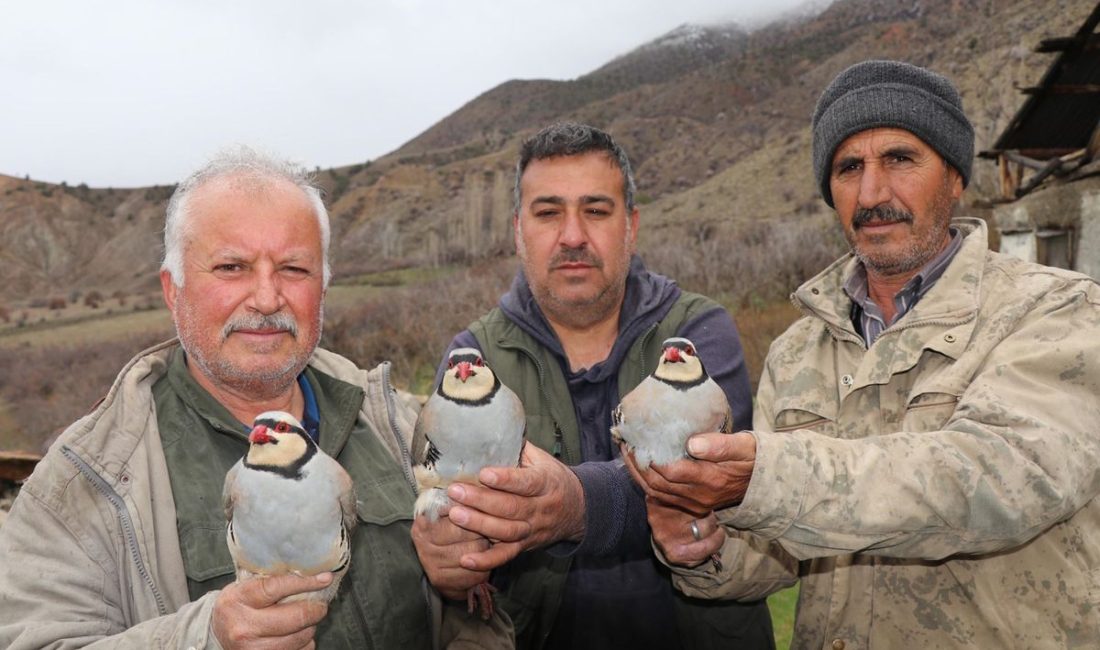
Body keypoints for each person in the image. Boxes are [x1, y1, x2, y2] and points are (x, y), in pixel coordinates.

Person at [625, 59, 1100, 649]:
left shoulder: (1059, 310)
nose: (873, 193)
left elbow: (997, 481)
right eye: (849, 168)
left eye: (900, 159)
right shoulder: (798, 350)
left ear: (954, 176)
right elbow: (772, 557)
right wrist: (699, 546)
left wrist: (765, 477)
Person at [0, 146, 511, 649]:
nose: (267, 298)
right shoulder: (84, 480)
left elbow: (483, 617)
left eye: (294, 269)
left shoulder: (398, 421)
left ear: (324, 288)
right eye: (231, 267)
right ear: (172, 290)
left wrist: (459, 586)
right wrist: (205, 638)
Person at [411, 122, 774, 649]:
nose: (573, 235)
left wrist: (574, 504)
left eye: (596, 211)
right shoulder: (474, 357)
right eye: (548, 212)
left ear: (631, 226)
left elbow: (707, 478)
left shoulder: (696, 331)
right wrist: (447, 562)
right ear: (518, 230)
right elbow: (446, 509)